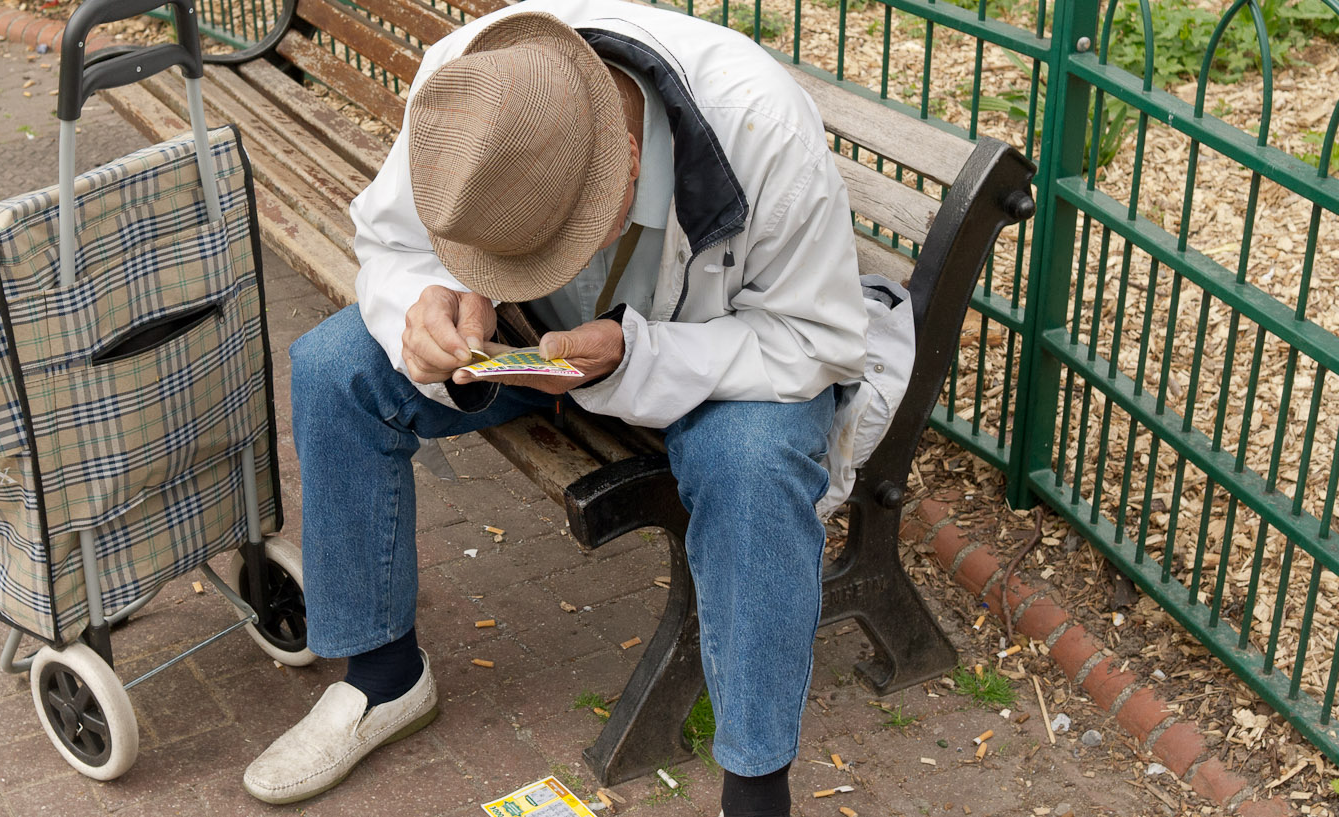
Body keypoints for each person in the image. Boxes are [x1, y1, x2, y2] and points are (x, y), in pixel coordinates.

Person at [243, 0, 913, 814]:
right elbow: (390, 241)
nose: (527, 267)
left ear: (627, 162)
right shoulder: (472, 90)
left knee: (753, 465)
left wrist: (638, 356)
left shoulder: (763, 133)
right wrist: (425, 305)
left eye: (551, 247)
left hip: (718, 356)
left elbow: (816, 340)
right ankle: (385, 678)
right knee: (332, 368)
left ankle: (755, 787)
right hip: (538, 349)